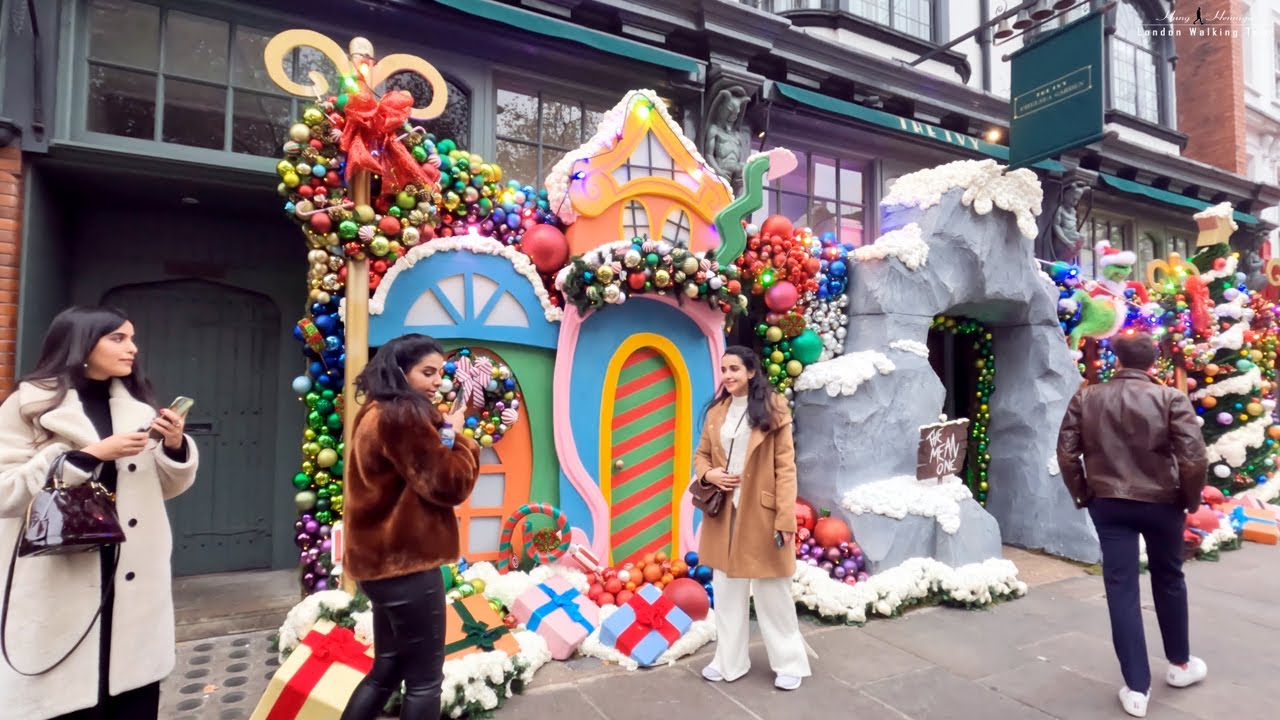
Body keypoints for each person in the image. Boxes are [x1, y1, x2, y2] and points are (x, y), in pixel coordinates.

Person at [0, 306, 198, 720]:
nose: (133, 349)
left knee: (132, 697)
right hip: (59, 576)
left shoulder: (139, 408)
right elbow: (5, 492)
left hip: (133, 578)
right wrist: (85, 457)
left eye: (132, 338)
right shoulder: (28, 406)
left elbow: (166, 488)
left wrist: (176, 447)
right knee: (68, 702)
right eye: (118, 339)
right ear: (82, 344)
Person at [1056, 331, 1209, 718]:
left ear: (1117, 361)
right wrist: (1189, 500)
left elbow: (1067, 452)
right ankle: (1180, 664)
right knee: (1170, 577)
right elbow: (1193, 458)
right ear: (1153, 363)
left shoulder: (1087, 396)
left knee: (1121, 588)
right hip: (1162, 502)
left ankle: (1136, 688)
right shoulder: (1170, 398)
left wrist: (1083, 494)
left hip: (1108, 502)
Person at [339, 334, 481, 720]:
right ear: (401, 372)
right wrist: (462, 440)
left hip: (379, 565)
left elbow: (413, 473)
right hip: (408, 566)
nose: (438, 381)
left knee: (388, 669)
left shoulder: (375, 412)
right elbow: (447, 484)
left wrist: (445, 432)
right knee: (423, 682)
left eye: (440, 372)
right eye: (427, 372)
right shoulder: (405, 415)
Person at [694, 346, 810, 690]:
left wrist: (786, 519)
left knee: (772, 590)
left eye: (734, 369)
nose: (728, 375)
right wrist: (710, 474)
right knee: (727, 591)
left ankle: (790, 663)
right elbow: (700, 455)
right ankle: (729, 661)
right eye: (724, 369)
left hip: (762, 512)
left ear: (750, 372)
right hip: (723, 515)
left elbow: (785, 468)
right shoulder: (717, 412)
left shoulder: (773, 409)